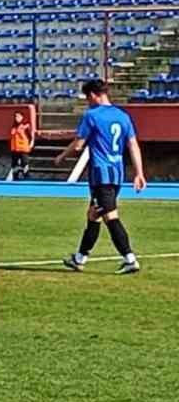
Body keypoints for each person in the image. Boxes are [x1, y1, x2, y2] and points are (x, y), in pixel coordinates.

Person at [57, 79, 146, 273]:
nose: (87, 102)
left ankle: (130, 259)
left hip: (101, 174)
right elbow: (133, 145)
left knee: (110, 216)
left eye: (88, 98)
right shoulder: (123, 116)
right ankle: (80, 258)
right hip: (116, 173)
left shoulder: (92, 116)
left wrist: (63, 155)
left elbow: (79, 144)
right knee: (93, 215)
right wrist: (139, 173)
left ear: (93, 95)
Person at [7, 109, 33, 180]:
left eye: (18, 116)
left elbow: (30, 135)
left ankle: (26, 177)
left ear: (22, 117)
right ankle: (15, 177)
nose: (16, 118)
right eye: (15, 116)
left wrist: (31, 143)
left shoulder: (26, 126)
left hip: (23, 148)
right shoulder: (13, 127)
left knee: (24, 163)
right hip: (14, 148)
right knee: (14, 164)